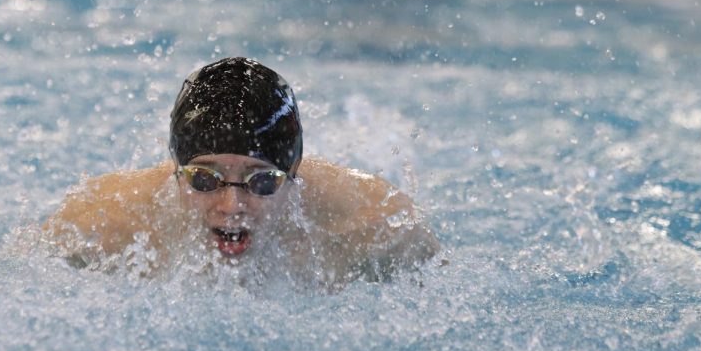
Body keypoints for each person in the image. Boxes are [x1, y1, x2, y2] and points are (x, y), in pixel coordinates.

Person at [43, 57, 439, 287]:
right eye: (204, 180)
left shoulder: (372, 224)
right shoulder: (102, 222)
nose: (232, 205)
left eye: (262, 182)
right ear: (177, 172)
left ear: (293, 175)